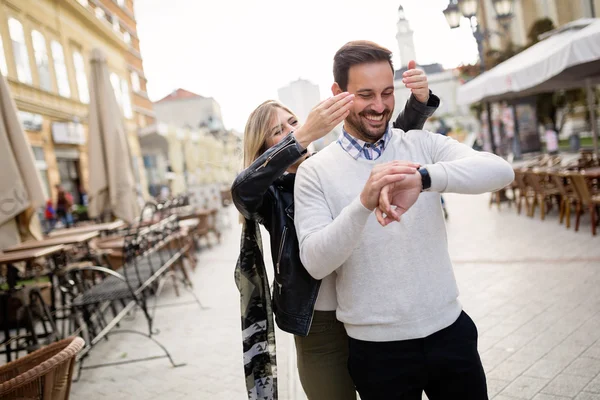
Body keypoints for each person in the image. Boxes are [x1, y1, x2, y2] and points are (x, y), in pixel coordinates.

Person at [294, 41, 515, 400]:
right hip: (377, 351)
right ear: (338, 93)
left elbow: (500, 171)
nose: (379, 107)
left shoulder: (420, 144)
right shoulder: (315, 172)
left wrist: (425, 178)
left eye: (386, 93)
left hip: (449, 331)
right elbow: (316, 263)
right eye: (365, 95)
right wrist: (362, 204)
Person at [232, 62, 439, 399]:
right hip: (322, 327)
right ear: (264, 150)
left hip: (372, 312)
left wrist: (418, 102)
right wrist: (302, 136)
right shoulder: (269, 193)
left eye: (293, 123)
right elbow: (242, 190)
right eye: (277, 131)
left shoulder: (332, 164)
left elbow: (387, 141)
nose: (289, 131)